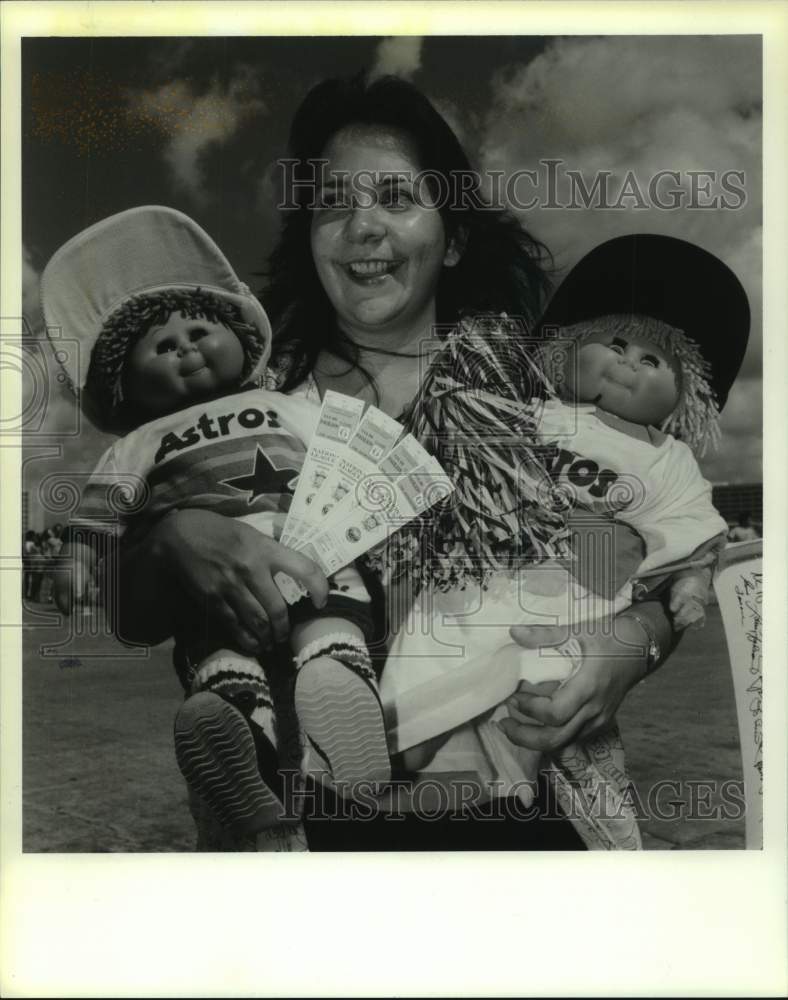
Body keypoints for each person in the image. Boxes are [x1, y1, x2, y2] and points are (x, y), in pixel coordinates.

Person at [110, 75, 687, 851]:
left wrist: (630, 647)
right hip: (311, 828)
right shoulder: (245, 405)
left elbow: (666, 560)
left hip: (533, 806)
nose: (362, 227)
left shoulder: (543, 396)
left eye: (395, 198)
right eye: (334, 203)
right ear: (308, 236)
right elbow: (131, 613)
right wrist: (174, 537)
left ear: (451, 238)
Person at [43, 205, 395, 851]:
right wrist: (77, 555)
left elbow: (356, 455)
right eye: (161, 345)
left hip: (307, 546)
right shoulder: (143, 441)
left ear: (239, 337)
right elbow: (102, 506)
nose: (185, 345)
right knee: (220, 647)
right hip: (213, 592)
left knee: (333, 602)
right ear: (129, 385)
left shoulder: (289, 404)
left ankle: (336, 683)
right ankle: (236, 732)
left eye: (199, 327)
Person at [379, 234, 748, 787]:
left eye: (652, 360)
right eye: (617, 344)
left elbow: (689, 528)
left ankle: (511, 760)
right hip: (490, 567)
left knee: (549, 670)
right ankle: (401, 735)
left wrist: (687, 587)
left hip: (582, 587)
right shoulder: (530, 411)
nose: (628, 364)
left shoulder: (667, 459)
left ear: (685, 395)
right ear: (568, 348)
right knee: (432, 630)